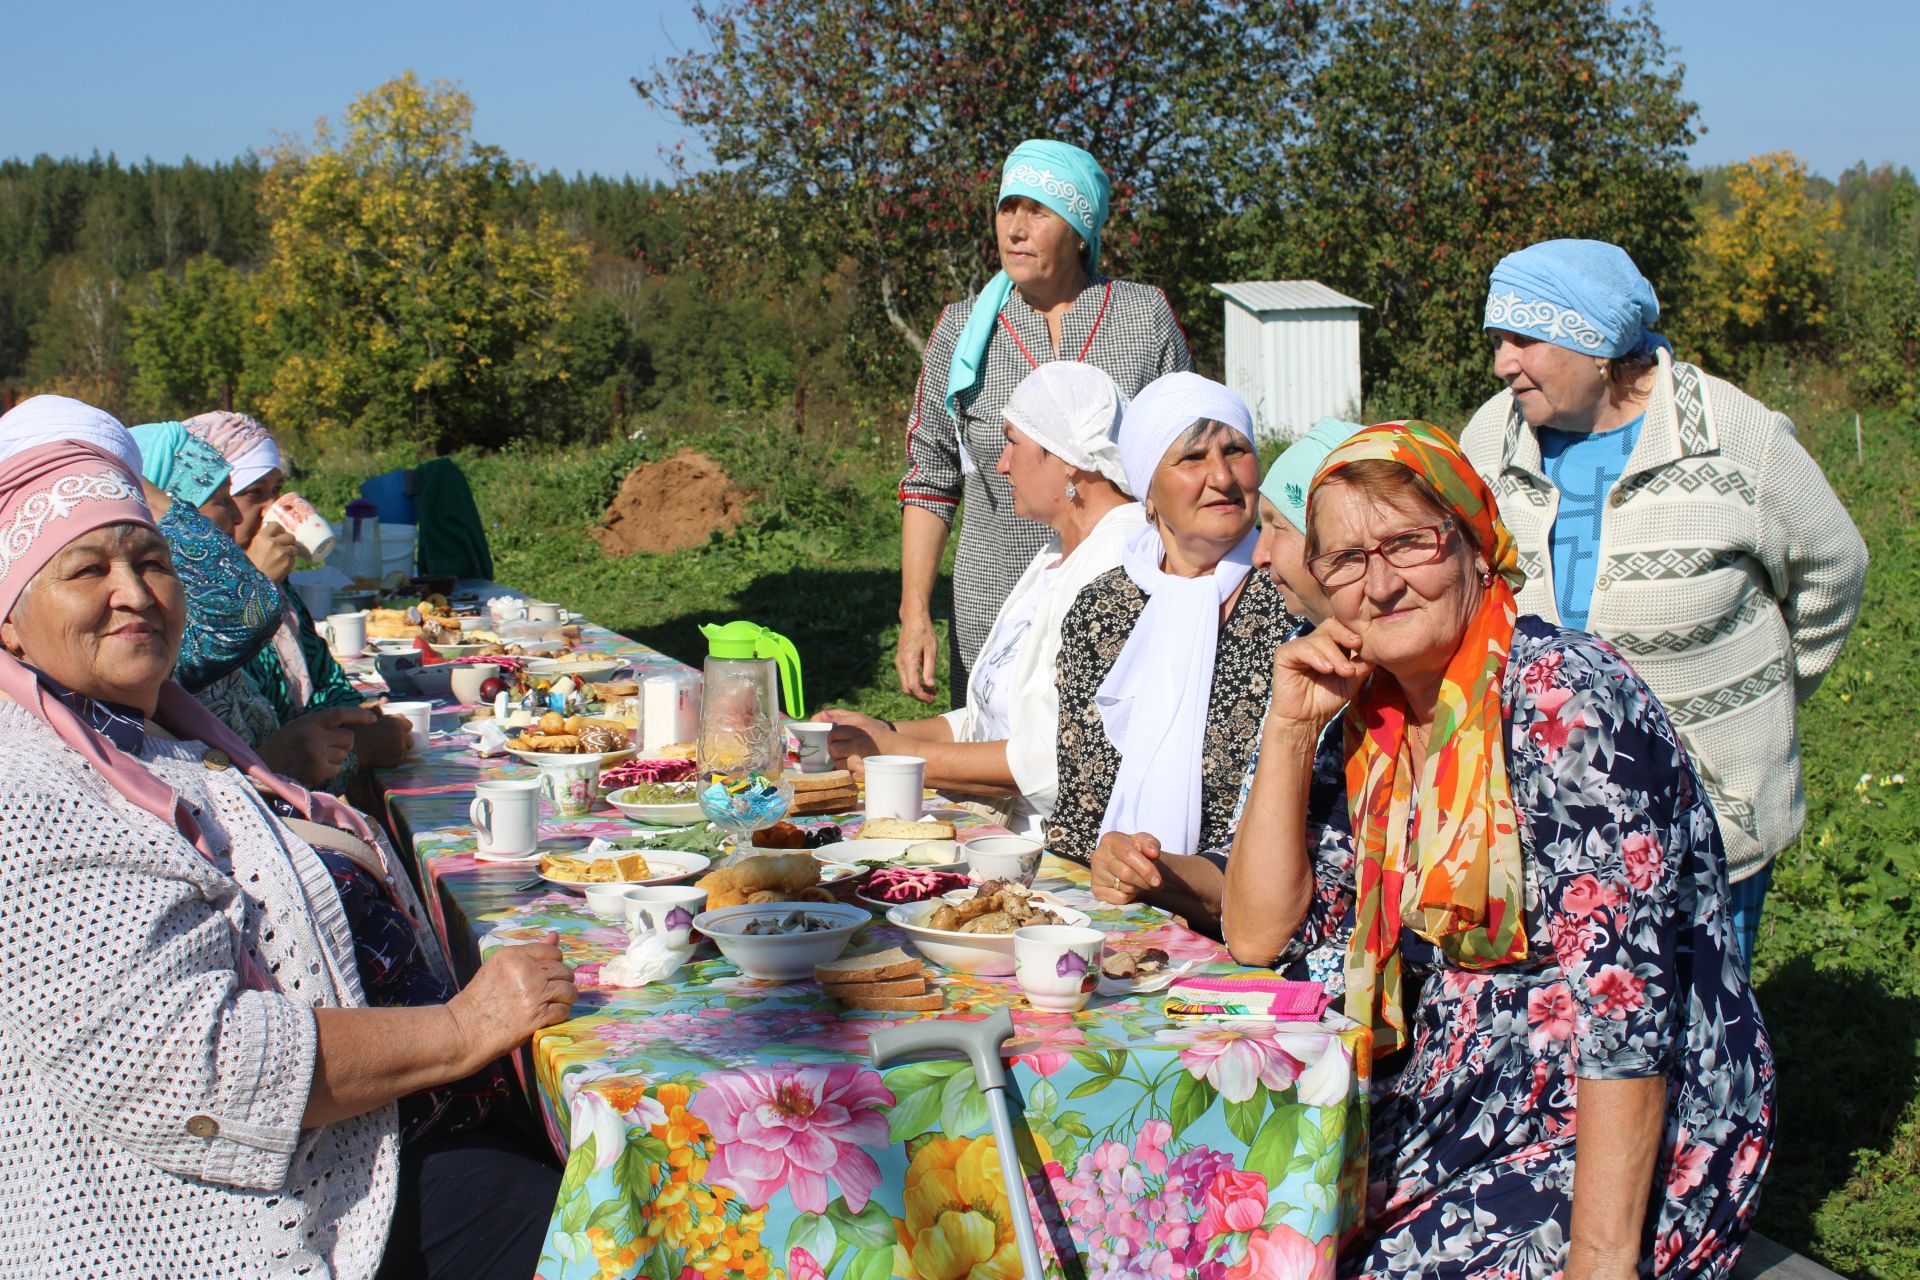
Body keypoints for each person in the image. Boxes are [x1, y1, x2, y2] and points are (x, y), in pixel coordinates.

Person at [0, 428, 575, 1279]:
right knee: (620, 1230)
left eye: (151, 562)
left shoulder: (140, 728)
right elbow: (190, 1068)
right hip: (261, 1211)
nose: (134, 593)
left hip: (378, 1131)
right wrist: (463, 1029)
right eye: (87, 570)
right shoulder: (31, 795)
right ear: (9, 621)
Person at [1225, 420, 1773, 1280]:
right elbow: (1258, 935)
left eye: (1410, 541)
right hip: (1442, 1102)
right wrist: (1290, 729)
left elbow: (1624, 1011)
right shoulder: (1369, 725)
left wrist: (1599, 1265)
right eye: (1345, 560)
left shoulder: (1563, 702)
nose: (1380, 582)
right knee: (1218, 1225)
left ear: (1477, 547)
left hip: (1598, 1126)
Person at [1462, 239, 1867, 967]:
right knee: (1569, 1041)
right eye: (1497, 340)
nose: (1502, 363)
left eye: (1524, 339)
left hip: (1711, 815)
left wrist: (1769, 686)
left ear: (1598, 346)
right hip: (1542, 820)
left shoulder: (1737, 439)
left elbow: (1833, 569)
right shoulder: (1493, 436)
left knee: (1704, 1037)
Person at [897, 139, 1192, 706]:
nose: (1015, 228)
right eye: (1008, 208)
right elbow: (929, 479)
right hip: (993, 607)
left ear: (1080, 230)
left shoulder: (1142, 316)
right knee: (988, 769)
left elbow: (1181, 461)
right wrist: (915, 614)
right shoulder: (963, 333)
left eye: (1038, 210)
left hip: (1124, 601)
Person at [821, 363, 1144, 835]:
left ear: (1068, 456)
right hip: (1000, 829)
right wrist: (877, 732)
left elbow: (1057, 759)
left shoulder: (1119, 567)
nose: (1000, 463)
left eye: (1013, 441)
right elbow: (990, 718)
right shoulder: (1060, 551)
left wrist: (899, 755)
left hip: (1057, 847)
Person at [1049, 373, 1301, 927]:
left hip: (1257, 921)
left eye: (1236, 450)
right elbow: (1081, 806)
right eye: (1192, 459)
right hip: (1113, 906)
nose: (1222, 476)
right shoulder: (1103, 609)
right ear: (1148, 489)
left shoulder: (1293, 595)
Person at [1089, 416, 1360, 918]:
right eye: (1193, 457)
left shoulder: (1289, 628)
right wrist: (1143, 867)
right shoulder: (1307, 651)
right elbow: (1249, 871)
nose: (1259, 552)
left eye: (1278, 525)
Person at [131, 419, 396, 791]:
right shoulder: (167, 638)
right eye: (244, 494)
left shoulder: (266, 600)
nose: (242, 517)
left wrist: (352, 727)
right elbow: (255, 773)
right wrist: (356, 753)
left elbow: (313, 698)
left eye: (278, 490)